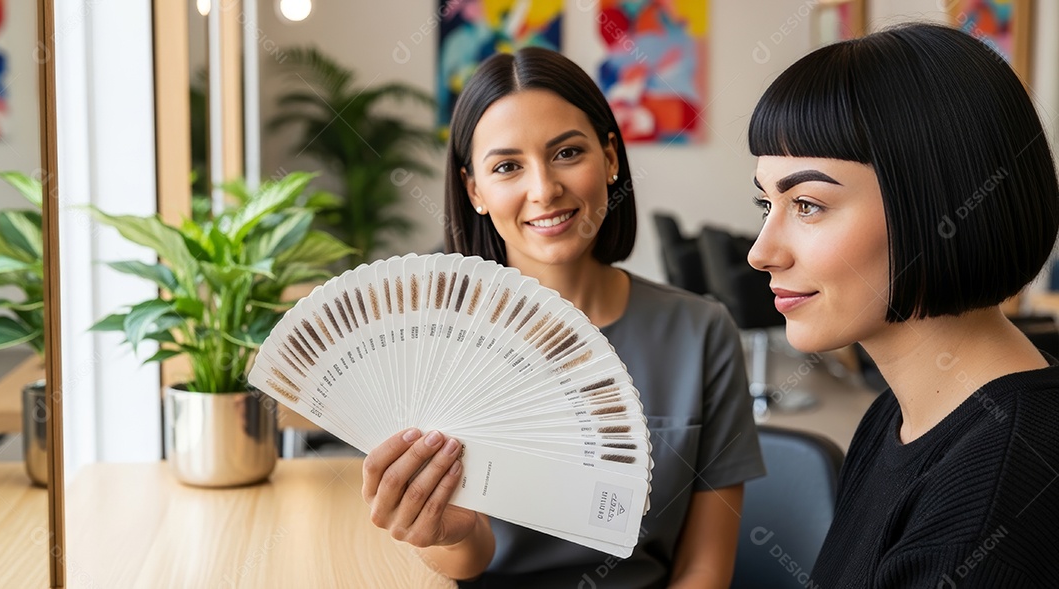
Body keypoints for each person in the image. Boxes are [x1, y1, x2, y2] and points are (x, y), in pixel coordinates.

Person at [360, 47, 765, 588]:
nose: (544, 189)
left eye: (567, 153)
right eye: (507, 166)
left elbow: (703, 568)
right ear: (474, 190)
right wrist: (450, 532)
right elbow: (468, 561)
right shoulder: (433, 345)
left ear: (611, 158)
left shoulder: (701, 332)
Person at [748, 23, 1059, 588]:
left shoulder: (991, 507)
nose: (761, 252)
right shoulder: (893, 418)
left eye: (809, 204)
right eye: (765, 203)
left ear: (937, 202)